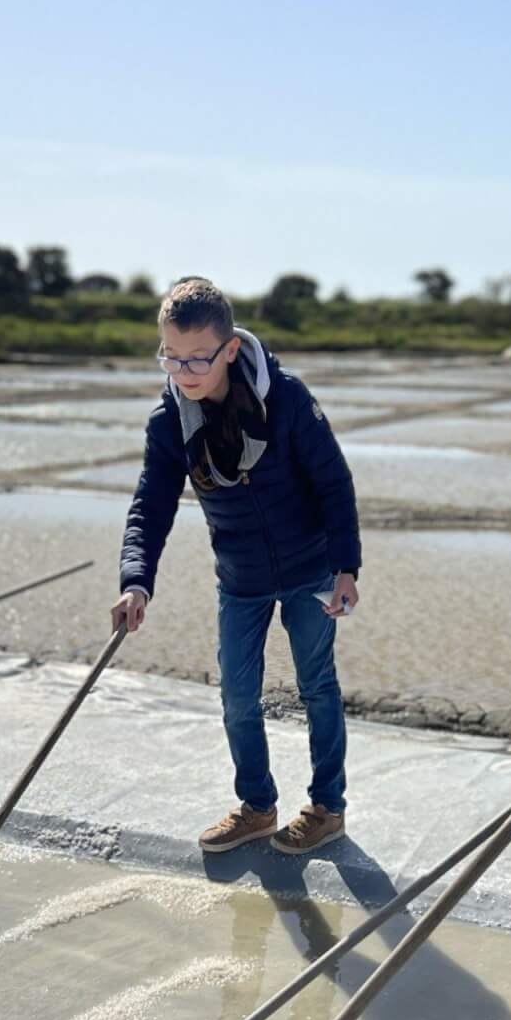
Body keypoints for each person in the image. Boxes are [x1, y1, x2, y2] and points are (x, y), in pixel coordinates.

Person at [113, 277, 362, 855]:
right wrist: (136, 582)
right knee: (237, 696)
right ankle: (257, 806)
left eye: (198, 358)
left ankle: (328, 808)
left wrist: (346, 567)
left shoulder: (288, 399)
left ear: (229, 349)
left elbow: (334, 483)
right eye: (170, 358)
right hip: (240, 577)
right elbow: (149, 506)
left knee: (317, 686)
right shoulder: (168, 421)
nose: (184, 372)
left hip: (310, 571)